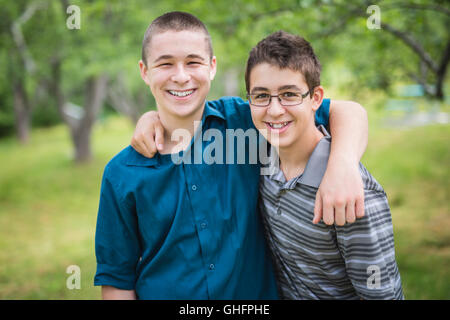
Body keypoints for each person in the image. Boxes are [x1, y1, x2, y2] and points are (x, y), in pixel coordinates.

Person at [95, 11, 367, 300]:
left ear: (212, 67)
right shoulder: (121, 172)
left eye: (193, 62)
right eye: (165, 64)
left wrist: (343, 164)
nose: (181, 76)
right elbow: (117, 279)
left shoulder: (249, 121)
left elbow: (348, 111)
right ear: (144, 71)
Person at [246, 31, 404, 299]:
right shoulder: (263, 158)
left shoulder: (352, 193)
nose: (274, 110)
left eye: (289, 94)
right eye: (261, 96)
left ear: (316, 99)